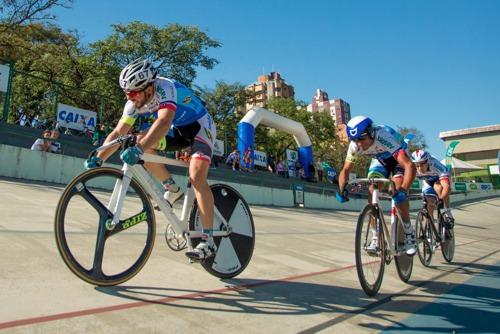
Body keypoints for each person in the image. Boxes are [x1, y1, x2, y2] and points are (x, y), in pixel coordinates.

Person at [84, 58, 217, 261]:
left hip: (200, 127)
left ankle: (208, 240)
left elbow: (163, 123)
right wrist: (99, 157)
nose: (130, 98)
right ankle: (171, 188)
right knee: (134, 139)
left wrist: (139, 149)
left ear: (148, 88)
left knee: (196, 176)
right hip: (177, 130)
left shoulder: (166, 87)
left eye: (134, 93)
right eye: (127, 93)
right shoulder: (133, 103)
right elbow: (119, 132)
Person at [335, 116, 417, 256]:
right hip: (380, 161)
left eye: (362, 138)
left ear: (371, 133)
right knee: (372, 189)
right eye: (355, 140)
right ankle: (375, 236)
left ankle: (409, 232)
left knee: (396, 192)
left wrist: (403, 190)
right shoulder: (355, 146)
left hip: (398, 161)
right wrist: (341, 189)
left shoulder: (383, 136)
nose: (359, 143)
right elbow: (345, 170)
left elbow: (409, 166)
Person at [411, 149, 454, 227]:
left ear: (427, 161)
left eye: (422, 164)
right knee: (429, 204)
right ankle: (428, 229)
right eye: (417, 165)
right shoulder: (412, 168)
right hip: (428, 181)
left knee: (439, 189)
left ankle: (447, 212)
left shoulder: (435, 164)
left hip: (440, 179)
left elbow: (446, 186)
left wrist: (441, 199)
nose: (420, 168)